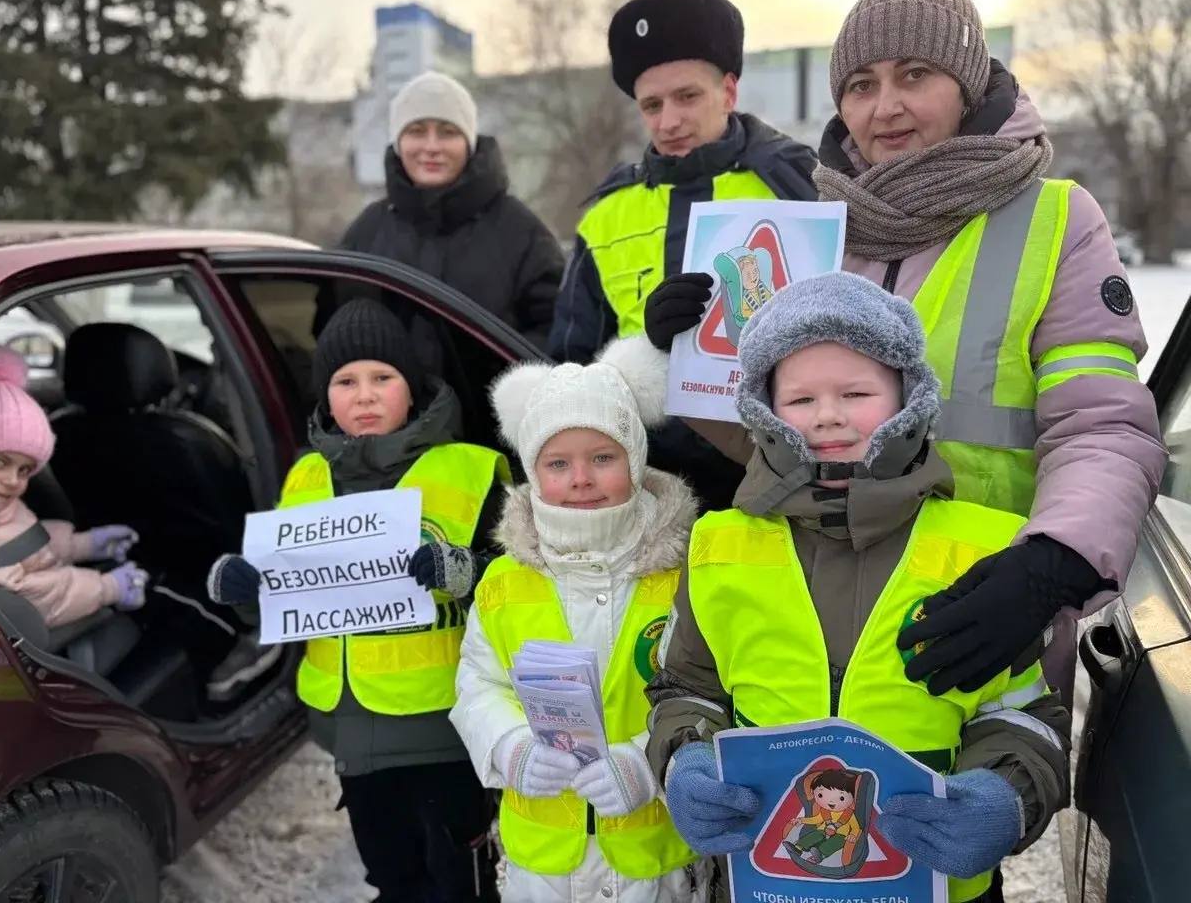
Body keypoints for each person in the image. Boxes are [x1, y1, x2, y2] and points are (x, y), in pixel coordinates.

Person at [642, 0, 1166, 699]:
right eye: (859, 85)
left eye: (913, 74)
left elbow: (1103, 426)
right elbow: (781, 442)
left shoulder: (1054, 221)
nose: (884, 107)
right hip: (816, 633)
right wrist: (695, 356)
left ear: (967, 84)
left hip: (985, 613)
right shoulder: (817, 231)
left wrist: (1054, 562)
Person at [646, 272, 1070, 902]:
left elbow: (1028, 712)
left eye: (856, 391)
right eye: (801, 399)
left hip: (940, 885)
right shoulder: (718, 545)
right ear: (765, 411)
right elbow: (684, 687)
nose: (830, 416)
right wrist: (685, 758)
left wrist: (1008, 797)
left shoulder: (988, 547)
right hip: (764, 882)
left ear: (907, 398)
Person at [206, 297, 509, 902]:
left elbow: (522, 585)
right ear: (325, 396)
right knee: (391, 876)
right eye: (345, 381)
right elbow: (283, 596)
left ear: (413, 388)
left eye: (382, 378)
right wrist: (241, 590)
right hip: (350, 732)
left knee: (460, 882)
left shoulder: (472, 469)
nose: (364, 395)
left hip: (444, 728)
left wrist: (465, 571)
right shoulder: (305, 477)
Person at [451, 336, 703, 902]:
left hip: (654, 863)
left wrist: (647, 764)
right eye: (558, 463)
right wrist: (509, 747)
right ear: (533, 472)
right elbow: (478, 685)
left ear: (635, 462)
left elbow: (714, 696)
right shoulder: (506, 581)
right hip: (540, 867)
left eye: (603, 458)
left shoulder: (685, 577)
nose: (581, 478)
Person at [548, 0, 818, 509]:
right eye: (652, 105)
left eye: (687, 97)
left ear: (730, 90)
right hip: (646, 487)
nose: (669, 121)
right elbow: (570, 368)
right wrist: (645, 355)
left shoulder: (798, 184)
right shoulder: (605, 217)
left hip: (787, 475)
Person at [340, 70, 563, 351]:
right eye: (416, 131)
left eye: (448, 133)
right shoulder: (368, 231)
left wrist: (503, 385)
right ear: (398, 143)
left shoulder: (521, 232)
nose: (432, 147)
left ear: (468, 143)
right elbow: (335, 332)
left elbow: (557, 332)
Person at [0, 346, 147, 626]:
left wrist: (83, 545)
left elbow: (24, 546)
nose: (13, 480)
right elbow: (32, 600)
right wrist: (107, 588)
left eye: (25, 469)